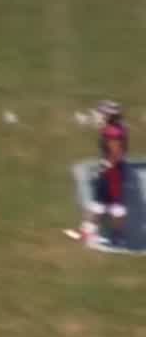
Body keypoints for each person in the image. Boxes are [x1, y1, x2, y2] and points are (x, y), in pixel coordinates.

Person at [68, 101, 129, 246]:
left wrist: (106, 166)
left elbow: (116, 152)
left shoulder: (112, 132)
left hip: (112, 171)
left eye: (103, 113)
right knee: (110, 203)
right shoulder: (118, 128)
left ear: (110, 116)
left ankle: (90, 233)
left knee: (105, 203)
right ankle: (114, 236)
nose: (101, 115)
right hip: (116, 170)